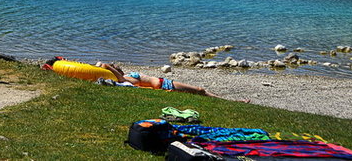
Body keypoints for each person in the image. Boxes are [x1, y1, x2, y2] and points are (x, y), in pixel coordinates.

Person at [94, 62, 248, 102]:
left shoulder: (125, 77)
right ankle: (233, 100)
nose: (117, 66)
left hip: (163, 83)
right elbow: (104, 65)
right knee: (199, 90)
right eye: (116, 67)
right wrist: (106, 67)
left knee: (199, 91)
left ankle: (230, 99)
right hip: (164, 84)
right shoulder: (124, 78)